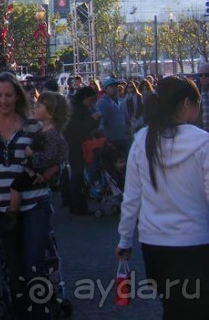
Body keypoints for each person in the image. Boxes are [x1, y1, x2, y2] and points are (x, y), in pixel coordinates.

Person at [116, 76, 209, 319]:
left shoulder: (142, 139)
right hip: (196, 244)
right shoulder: (203, 143)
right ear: (187, 103)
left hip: (155, 244)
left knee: (171, 307)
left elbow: (131, 198)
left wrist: (125, 240)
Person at [0, 72, 55, 320]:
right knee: (14, 271)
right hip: (1, 206)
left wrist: (44, 174)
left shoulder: (32, 124)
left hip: (35, 202)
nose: (4, 100)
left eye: (8, 95)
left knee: (35, 266)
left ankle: (41, 313)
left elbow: (54, 156)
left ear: (17, 96)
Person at [6, 92, 68, 228]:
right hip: (37, 171)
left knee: (16, 186)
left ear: (50, 114)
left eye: (39, 106)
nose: (34, 107)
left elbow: (52, 157)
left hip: (36, 171)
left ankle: (11, 213)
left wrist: (31, 153)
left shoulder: (51, 134)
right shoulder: (46, 131)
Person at [63, 86, 99, 215]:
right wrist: (94, 119)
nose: (91, 104)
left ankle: (74, 204)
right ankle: (79, 206)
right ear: (85, 98)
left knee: (76, 175)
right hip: (78, 145)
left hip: (73, 145)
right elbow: (83, 128)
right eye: (90, 100)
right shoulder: (80, 110)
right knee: (78, 176)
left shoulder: (73, 107)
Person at [96, 77, 128, 154]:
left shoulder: (122, 101)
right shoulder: (102, 103)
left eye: (115, 86)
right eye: (111, 87)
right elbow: (100, 124)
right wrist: (104, 140)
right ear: (106, 89)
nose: (114, 88)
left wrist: (129, 133)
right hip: (110, 140)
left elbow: (126, 118)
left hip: (123, 138)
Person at [198, 61, 209, 131]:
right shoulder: (194, 92)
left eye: (207, 75)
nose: (203, 77)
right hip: (201, 132)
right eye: (200, 75)